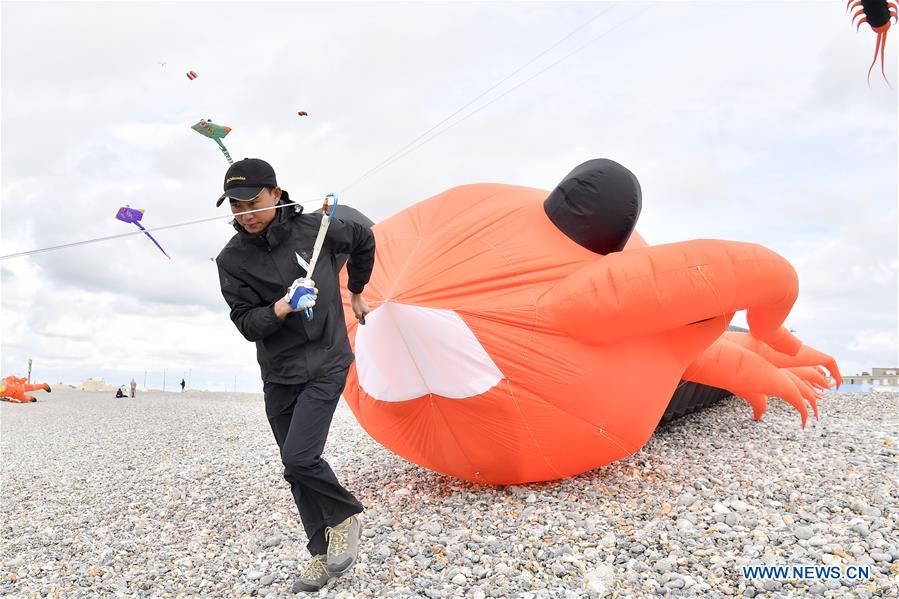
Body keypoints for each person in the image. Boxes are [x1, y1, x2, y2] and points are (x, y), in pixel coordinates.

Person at [214, 158, 375, 593]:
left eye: (252, 202)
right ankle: (321, 554)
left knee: (299, 457)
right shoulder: (231, 259)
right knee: (295, 470)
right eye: (235, 205)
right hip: (279, 373)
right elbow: (247, 323)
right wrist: (281, 307)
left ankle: (344, 517)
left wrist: (356, 290)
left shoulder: (316, 228)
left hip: (326, 360)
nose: (245, 213)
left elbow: (364, 240)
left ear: (276, 193)